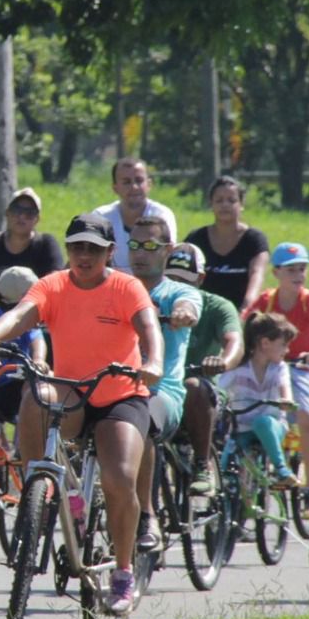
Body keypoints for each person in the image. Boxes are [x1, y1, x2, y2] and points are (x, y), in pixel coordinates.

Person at [0, 213, 162, 617]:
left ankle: (123, 572)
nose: (84, 255)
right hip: (72, 389)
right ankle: (36, 487)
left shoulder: (125, 286)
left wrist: (154, 362)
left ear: (110, 252)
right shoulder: (54, 284)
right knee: (35, 395)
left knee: (118, 478)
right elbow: (20, 314)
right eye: (77, 247)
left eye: (93, 248)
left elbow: (150, 328)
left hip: (120, 394)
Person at [124, 216, 200, 551]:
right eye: (134, 245)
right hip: (116, 388)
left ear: (167, 251)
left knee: (142, 420)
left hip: (162, 393)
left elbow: (189, 304)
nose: (140, 253)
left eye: (150, 246)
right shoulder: (118, 287)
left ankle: (147, 515)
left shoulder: (177, 291)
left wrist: (182, 313)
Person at [246, 243, 309, 490]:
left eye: (302, 269)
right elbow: (245, 323)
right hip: (274, 364)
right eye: (291, 270)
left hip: (307, 367)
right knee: (248, 409)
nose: (298, 275)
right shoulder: (267, 300)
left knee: (306, 417)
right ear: (276, 273)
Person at [166, 243, 243, 492]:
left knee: (192, 385)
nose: (176, 285)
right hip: (162, 387)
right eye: (171, 278)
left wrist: (223, 361)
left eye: (184, 280)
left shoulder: (217, 307)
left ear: (200, 279)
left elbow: (234, 342)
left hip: (202, 391)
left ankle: (202, 463)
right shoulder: (153, 302)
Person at [217, 313, 302, 486]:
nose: (287, 351)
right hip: (242, 428)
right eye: (283, 345)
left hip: (273, 427)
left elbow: (285, 389)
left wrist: (286, 401)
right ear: (265, 343)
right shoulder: (238, 368)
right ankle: (226, 493)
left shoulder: (279, 368)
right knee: (227, 457)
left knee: (263, 422)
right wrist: (217, 400)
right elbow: (220, 388)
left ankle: (281, 470)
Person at [0, 266, 47, 432]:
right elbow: (37, 339)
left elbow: (37, 338)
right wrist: (38, 360)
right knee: (35, 391)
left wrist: (39, 358)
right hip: (9, 386)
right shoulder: (24, 320)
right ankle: (25, 440)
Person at [184, 176, 270, 311]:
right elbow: (182, 279)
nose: (225, 205)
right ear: (211, 204)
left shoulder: (254, 240)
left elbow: (257, 275)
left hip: (241, 311)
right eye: (219, 200)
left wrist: (245, 310)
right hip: (201, 311)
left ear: (241, 204)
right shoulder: (196, 239)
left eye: (231, 200)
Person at [92, 158, 180, 273]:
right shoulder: (101, 217)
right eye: (126, 182)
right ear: (115, 188)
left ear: (149, 184)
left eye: (139, 180)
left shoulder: (161, 215)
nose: (134, 187)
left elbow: (168, 255)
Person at [0, 187, 64, 296]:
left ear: (37, 219)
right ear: (7, 213)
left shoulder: (46, 245)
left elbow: (55, 281)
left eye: (29, 213)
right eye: (17, 210)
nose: (22, 216)